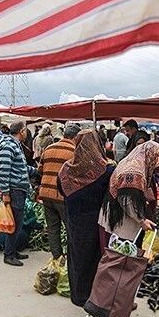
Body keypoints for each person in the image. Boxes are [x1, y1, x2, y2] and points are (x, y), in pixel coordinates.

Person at [58, 129, 115, 307]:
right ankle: (94, 297)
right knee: (95, 257)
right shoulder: (106, 169)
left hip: (74, 219)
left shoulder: (66, 168)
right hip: (96, 221)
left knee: (76, 255)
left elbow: (60, 189)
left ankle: (78, 296)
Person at [99, 142, 159, 241]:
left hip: (121, 216)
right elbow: (126, 201)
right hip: (120, 221)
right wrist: (141, 221)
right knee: (122, 254)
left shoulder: (137, 161)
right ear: (151, 157)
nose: (157, 168)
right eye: (158, 164)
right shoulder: (133, 171)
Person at [37, 124, 79, 259]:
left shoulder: (49, 148)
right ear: (76, 137)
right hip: (63, 196)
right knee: (70, 228)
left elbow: (40, 170)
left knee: (53, 228)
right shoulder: (75, 151)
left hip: (46, 194)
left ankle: (57, 257)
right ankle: (72, 257)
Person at [0, 120, 34, 267]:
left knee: (17, 223)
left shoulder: (15, 145)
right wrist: (5, 192)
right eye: (25, 130)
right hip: (14, 190)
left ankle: (12, 250)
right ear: (21, 131)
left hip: (19, 189)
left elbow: (21, 168)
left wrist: (38, 171)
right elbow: (3, 171)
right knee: (14, 223)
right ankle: (9, 255)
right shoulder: (8, 146)